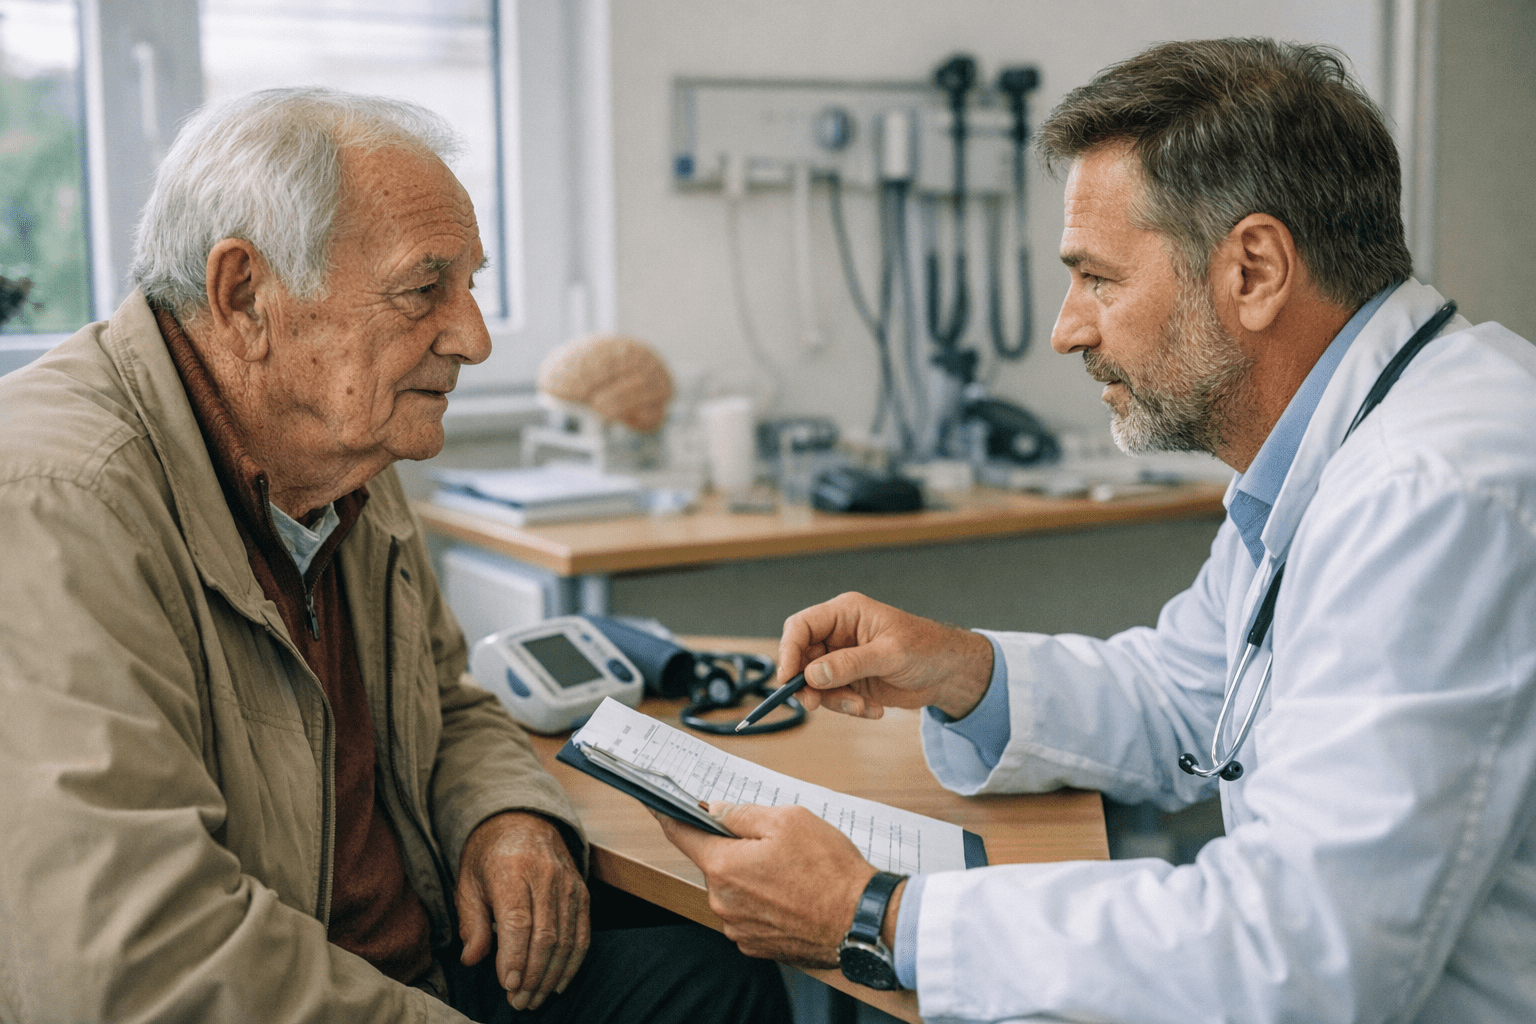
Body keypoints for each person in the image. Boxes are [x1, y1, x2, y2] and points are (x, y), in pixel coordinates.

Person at [657, 37, 1536, 1023]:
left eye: (1099, 278)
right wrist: (965, 672)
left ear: (1253, 268)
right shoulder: (1346, 441)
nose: (1066, 329)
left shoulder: (1432, 494)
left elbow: (1301, 955)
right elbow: (1186, 699)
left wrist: (878, 915)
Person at [0, 88, 787, 1023]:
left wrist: (506, 817)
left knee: (719, 981)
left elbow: (446, 700)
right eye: (425, 289)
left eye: (473, 286)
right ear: (245, 295)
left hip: (409, 968)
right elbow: (136, 960)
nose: (476, 338)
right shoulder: (56, 501)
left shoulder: (343, 444)